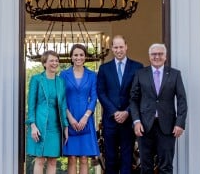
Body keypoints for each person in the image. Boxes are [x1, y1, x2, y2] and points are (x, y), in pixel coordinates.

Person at [130, 43, 188, 174]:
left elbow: (182, 100)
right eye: (154, 54)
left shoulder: (175, 74)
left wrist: (180, 123)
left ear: (165, 56)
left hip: (168, 127)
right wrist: (136, 121)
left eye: (160, 54)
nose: (157, 56)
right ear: (149, 57)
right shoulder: (140, 74)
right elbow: (133, 100)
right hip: (144, 126)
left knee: (166, 167)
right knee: (146, 166)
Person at [97, 35, 143, 174]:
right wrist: (114, 112)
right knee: (110, 159)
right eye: (115, 47)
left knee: (127, 158)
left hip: (129, 119)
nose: (118, 50)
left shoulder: (137, 67)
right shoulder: (104, 68)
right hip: (110, 120)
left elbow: (139, 93)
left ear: (126, 46)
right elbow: (101, 92)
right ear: (112, 48)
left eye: (121, 47)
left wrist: (127, 112)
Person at [26, 50, 68, 174]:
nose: (54, 63)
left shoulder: (61, 82)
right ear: (44, 63)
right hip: (39, 125)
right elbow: (31, 104)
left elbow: (63, 105)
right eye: (51, 61)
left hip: (55, 127)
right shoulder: (36, 79)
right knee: (40, 160)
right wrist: (32, 125)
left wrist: (65, 126)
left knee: (53, 161)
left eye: (56, 61)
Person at [60, 44, 100, 174]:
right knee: (71, 158)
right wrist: (70, 118)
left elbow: (94, 98)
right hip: (69, 118)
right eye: (76, 55)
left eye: (81, 55)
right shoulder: (64, 74)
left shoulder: (92, 75)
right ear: (71, 57)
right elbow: (61, 99)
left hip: (86, 119)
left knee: (84, 158)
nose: (78, 57)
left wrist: (86, 117)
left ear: (85, 57)